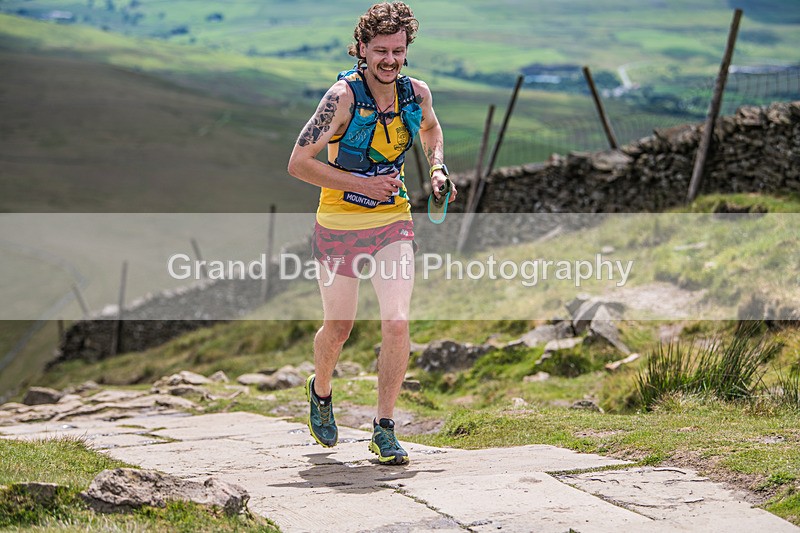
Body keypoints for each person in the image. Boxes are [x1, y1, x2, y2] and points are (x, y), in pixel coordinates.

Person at [287, 1, 455, 465]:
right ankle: (321, 392)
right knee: (339, 327)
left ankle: (383, 427)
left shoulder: (415, 94)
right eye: (380, 50)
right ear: (361, 48)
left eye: (397, 51)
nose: (389, 60)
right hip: (338, 226)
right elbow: (298, 164)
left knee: (397, 321)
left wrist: (438, 169)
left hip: (392, 222)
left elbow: (432, 129)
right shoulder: (340, 98)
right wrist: (362, 183)